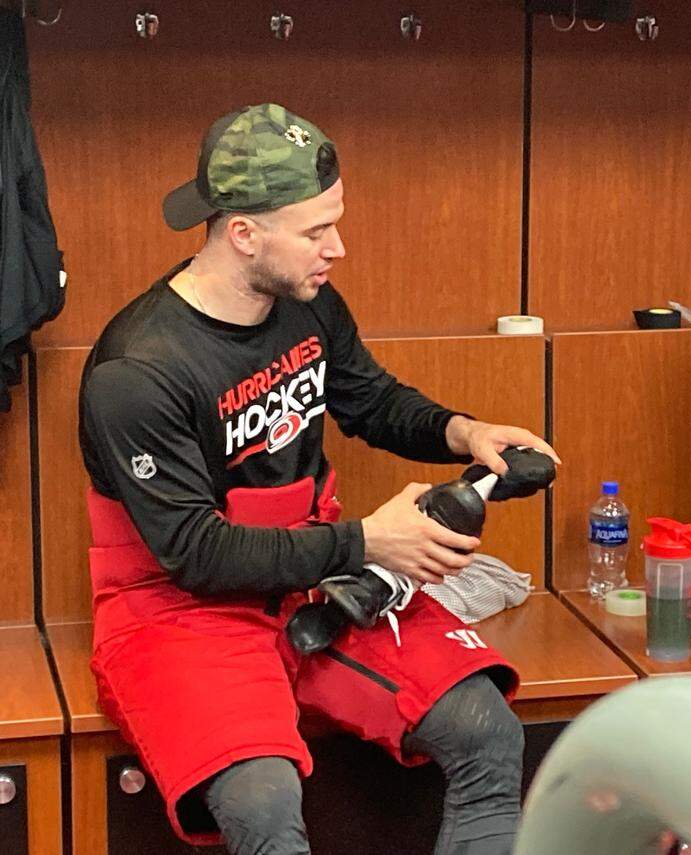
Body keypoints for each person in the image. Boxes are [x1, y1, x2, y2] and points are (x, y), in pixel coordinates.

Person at [79, 103, 560, 855]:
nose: (336, 247)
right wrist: (370, 540)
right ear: (243, 233)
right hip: (181, 609)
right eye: (314, 230)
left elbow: (368, 398)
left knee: (488, 732)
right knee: (263, 803)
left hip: (315, 579)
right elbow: (194, 553)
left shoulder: (305, 300)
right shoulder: (138, 369)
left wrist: (464, 432)